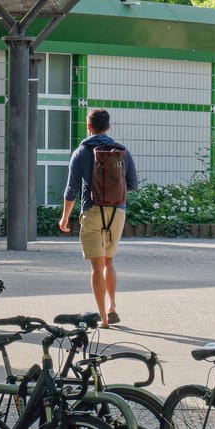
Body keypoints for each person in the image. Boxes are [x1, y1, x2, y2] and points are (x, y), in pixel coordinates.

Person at [57, 108, 138, 328]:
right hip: (117, 212)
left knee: (96, 265)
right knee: (109, 261)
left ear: (88, 126)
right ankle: (112, 306)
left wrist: (65, 218)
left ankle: (103, 318)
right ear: (108, 126)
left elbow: (71, 189)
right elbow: (132, 184)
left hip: (92, 210)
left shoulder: (82, 152)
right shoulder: (122, 151)